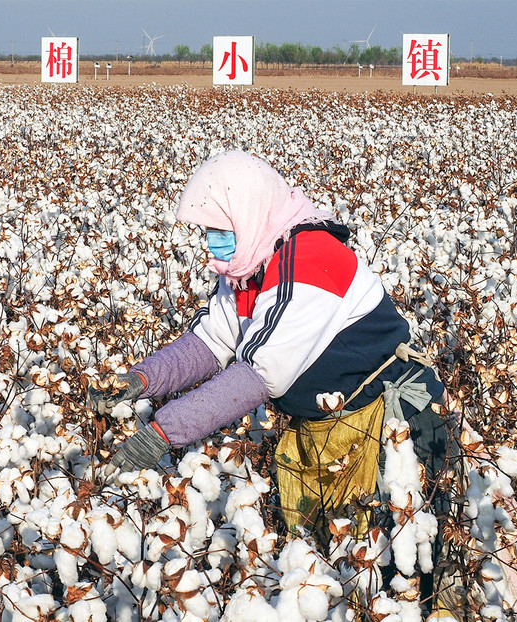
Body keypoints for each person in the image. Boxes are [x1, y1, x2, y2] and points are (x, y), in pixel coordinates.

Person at [89, 150, 456, 614]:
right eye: (209, 233)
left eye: (221, 232)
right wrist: (140, 380)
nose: (212, 245)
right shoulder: (251, 269)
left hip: (396, 431)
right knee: (333, 573)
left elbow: (261, 373)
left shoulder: (311, 259)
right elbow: (209, 342)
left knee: (389, 579)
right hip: (335, 432)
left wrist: (162, 432)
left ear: (250, 215)